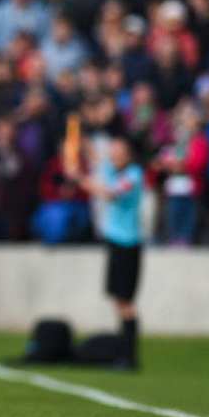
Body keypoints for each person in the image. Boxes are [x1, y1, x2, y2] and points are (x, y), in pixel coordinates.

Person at [70, 137, 143, 369]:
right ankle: (123, 353)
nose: (113, 156)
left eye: (117, 152)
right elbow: (96, 159)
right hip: (116, 242)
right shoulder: (114, 169)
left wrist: (80, 179)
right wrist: (79, 143)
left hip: (127, 243)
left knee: (125, 301)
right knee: (118, 300)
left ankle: (129, 356)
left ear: (128, 155)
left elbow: (111, 194)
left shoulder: (133, 176)